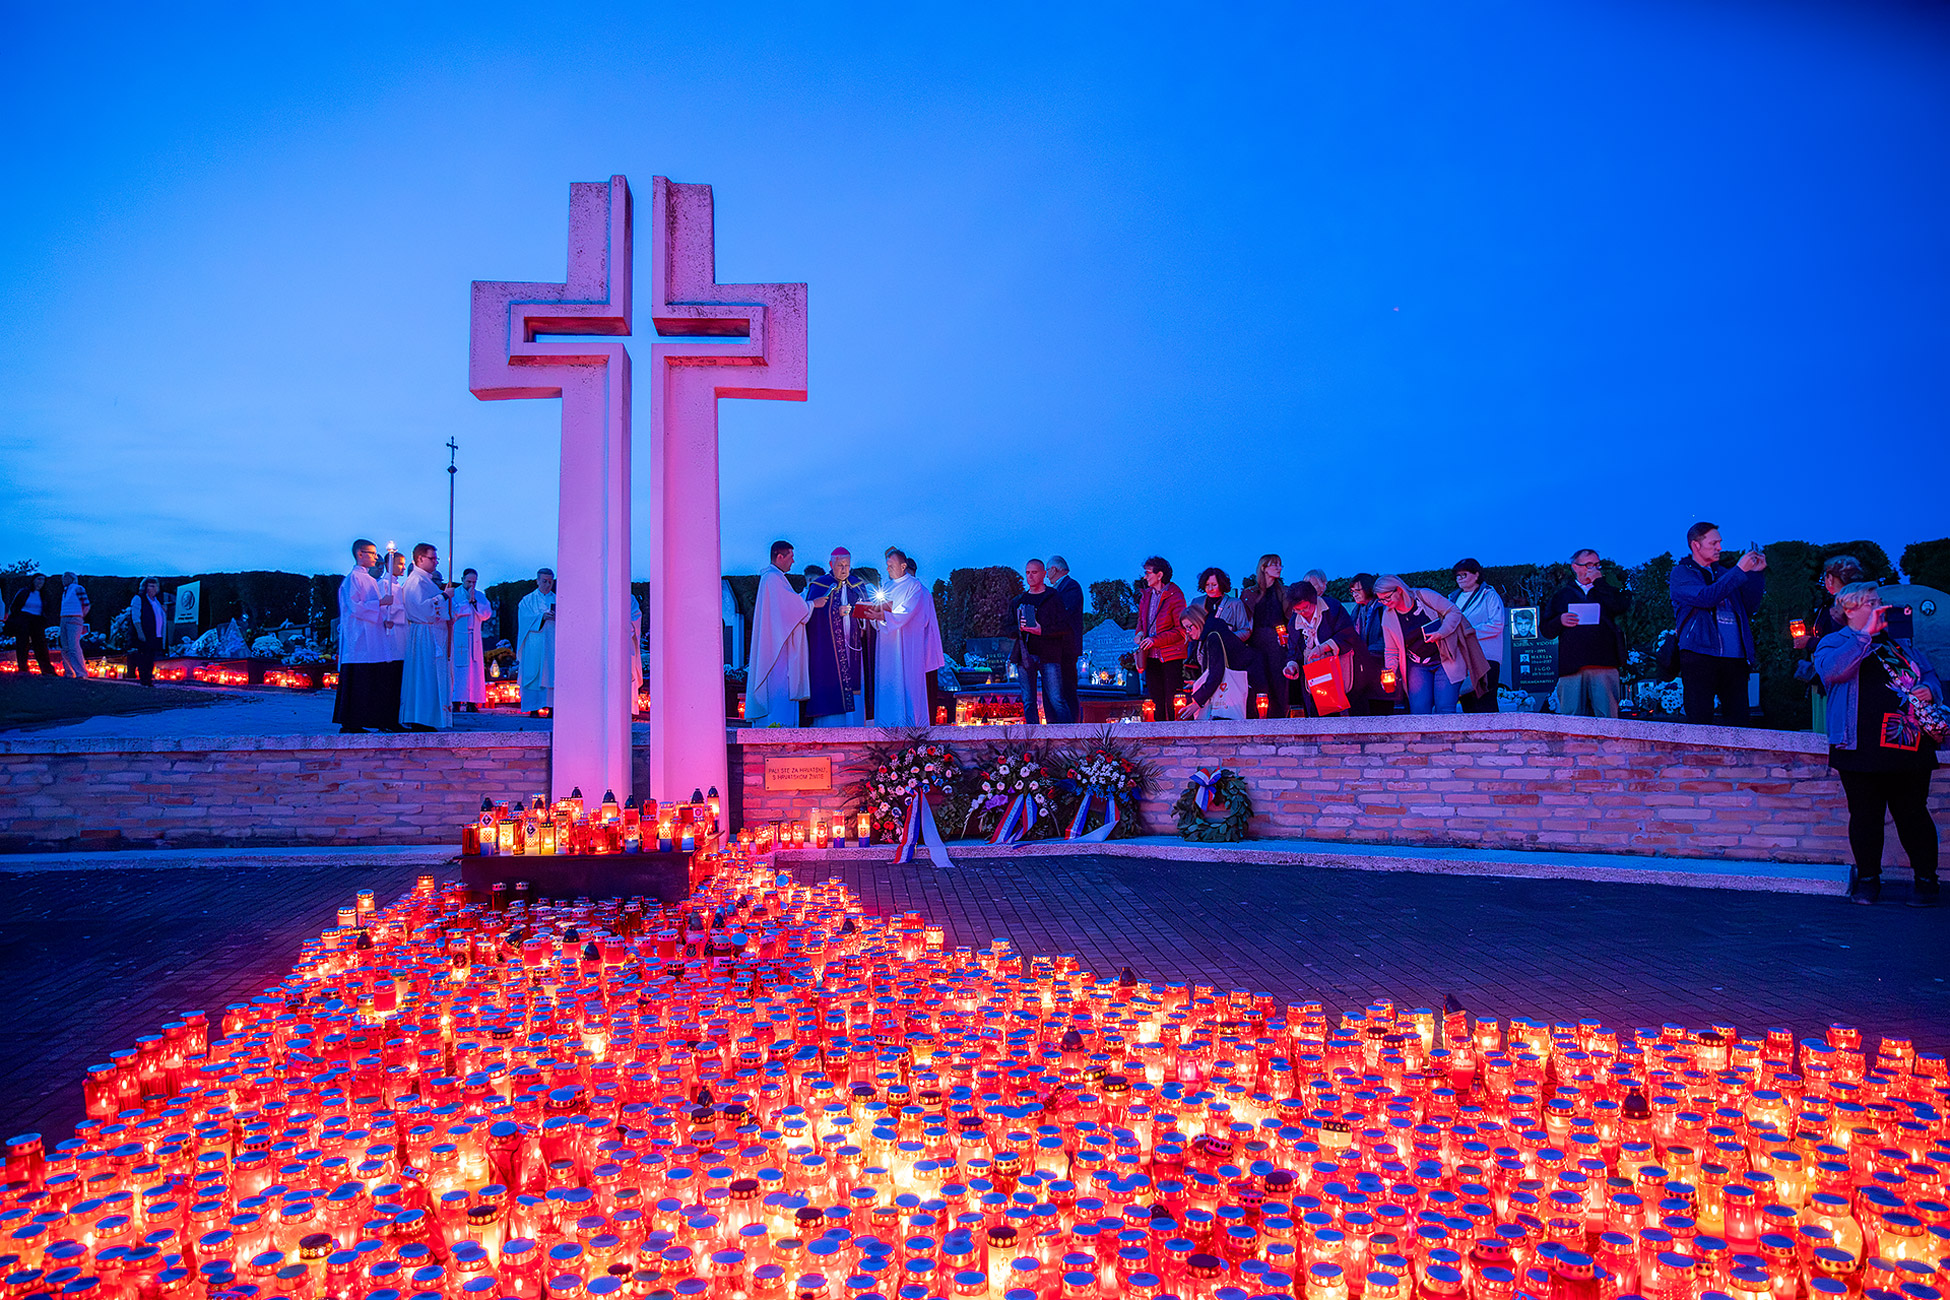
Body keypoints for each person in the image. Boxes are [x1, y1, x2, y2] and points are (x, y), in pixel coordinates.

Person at [1814, 582, 1942, 905]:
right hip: (1858, 746)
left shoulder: (1900, 644)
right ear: (1849, 609)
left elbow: (1930, 674)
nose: (1879, 605)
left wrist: (1930, 688)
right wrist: (1864, 636)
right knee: (1865, 816)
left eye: (1878, 600)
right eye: (1871, 601)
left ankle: (1927, 882)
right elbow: (1833, 671)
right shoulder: (1834, 642)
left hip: (1908, 744)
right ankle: (1869, 880)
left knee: (1913, 815)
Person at [1669, 522, 1766, 725]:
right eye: (1713, 543)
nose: (1719, 547)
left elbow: (1748, 608)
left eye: (1720, 542)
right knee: (1700, 720)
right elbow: (1705, 597)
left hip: (1735, 658)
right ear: (1696, 545)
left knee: (1739, 721)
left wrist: (1756, 574)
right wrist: (1739, 570)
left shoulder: (1724, 573)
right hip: (1699, 655)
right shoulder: (1682, 574)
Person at [1373, 575, 1489, 715]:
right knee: (1419, 711)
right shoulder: (1388, 615)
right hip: (1417, 664)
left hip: (1444, 659)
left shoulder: (1424, 596)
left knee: (1445, 708)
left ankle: (1447, 730)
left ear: (1399, 590)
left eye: (1387, 598)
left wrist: (1441, 632)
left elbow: (1453, 611)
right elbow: (1391, 650)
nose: (1385, 603)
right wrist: (1390, 670)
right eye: (1381, 600)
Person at [1541, 549, 1631, 718]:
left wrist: (1600, 583)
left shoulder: (1607, 591)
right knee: (1573, 717)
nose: (1594, 569)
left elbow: (1620, 607)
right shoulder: (1562, 596)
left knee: (1607, 716)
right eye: (1589, 565)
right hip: (1572, 667)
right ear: (1575, 567)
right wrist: (1560, 620)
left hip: (1604, 664)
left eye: (1597, 565)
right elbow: (1546, 630)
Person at [873, 547, 945, 727]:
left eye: (891, 565)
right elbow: (879, 614)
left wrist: (885, 616)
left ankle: (911, 727)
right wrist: (874, 616)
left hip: (907, 645)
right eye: (887, 565)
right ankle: (886, 725)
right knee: (888, 684)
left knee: (908, 687)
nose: (888, 569)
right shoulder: (887, 587)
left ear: (903, 566)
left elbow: (906, 612)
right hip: (887, 647)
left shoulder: (915, 586)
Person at [1794, 555, 1865, 734]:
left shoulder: (1840, 605)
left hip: (1835, 679)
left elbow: (1844, 641)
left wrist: (1810, 642)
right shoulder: (1857, 602)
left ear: (1830, 578)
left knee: (1830, 728)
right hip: (1839, 676)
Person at [1282, 582, 1376, 718]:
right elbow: (1294, 650)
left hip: (1345, 669)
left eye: (1305, 608)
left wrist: (1323, 648)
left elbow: (1348, 634)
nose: (1303, 613)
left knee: (1355, 712)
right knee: (1323, 716)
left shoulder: (1333, 609)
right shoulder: (1294, 622)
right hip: (1319, 678)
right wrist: (1292, 665)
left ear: (1314, 600)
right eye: (1297, 610)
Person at [806, 547, 873, 727]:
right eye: (840, 565)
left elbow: (868, 616)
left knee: (855, 686)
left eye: (847, 565)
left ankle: (856, 726)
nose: (844, 569)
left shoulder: (857, 586)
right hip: (828, 650)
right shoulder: (819, 585)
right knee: (831, 684)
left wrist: (863, 617)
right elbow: (811, 617)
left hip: (853, 647)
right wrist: (836, 612)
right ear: (831, 564)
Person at [747, 541, 811, 727]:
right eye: (791, 557)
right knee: (779, 692)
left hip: (777, 644)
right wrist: (812, 603)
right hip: (777, 651)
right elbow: (796, 610)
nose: (793, 562)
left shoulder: (773, 578)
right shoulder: (773, 579)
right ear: (780, 556)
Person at [333, 539, 390, 733]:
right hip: (358, 637)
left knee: (368, 677)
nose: (376, 557)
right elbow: (355, 607)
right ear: (360, 554)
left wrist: (384, 616)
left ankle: (363, 719)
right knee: (357, 678)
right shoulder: (353, 579)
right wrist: (380, 603)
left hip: (371, 636)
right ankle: (351, 721)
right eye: (372, 553)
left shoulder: (369, 579)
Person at [398, 544, 453, 731]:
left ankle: (428, 717)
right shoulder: (416, 582)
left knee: (430, 675)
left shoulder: (426, 581)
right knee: (424, 675)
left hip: (431, 633)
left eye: (437, 558)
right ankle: (420, 718)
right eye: (432, 558)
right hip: (424, 634)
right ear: (420, 558)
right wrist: (444, 597)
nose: (436, 562)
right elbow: (422, 608)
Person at [1011, 559, 1071, 724]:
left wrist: (1041, 630)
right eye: (1027, 573)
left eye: (1034, 572)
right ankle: (1033, 734)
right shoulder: (1019, 601)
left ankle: (1070, 734)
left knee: (1056, 699)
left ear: (1044, 574)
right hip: (1025, 655)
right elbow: (1007, 627)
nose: (1030, 576)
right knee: (1028, 700)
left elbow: (1065, 626)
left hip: (1049, 655)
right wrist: (1019, 627)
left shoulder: (1053, 597)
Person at [1450, 559, 1511, 714]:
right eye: (1457, 576)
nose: (1460, 579)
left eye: (1464, 575)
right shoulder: (1452, 598)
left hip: (1486, 656)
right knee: (1467, 701)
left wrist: (1469, 632)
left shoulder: (1489, 595)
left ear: (1476, 575)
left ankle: (1493, 730)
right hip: (1464, 657)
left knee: (1486, 702)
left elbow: (1497, 624)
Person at [1135, 557, 1188, 721]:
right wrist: (1139, 633)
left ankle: (1174, 731)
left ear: (1159, 575)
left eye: (1148, 573)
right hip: (1151, 655)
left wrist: (1155, 640)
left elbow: (1180, 630)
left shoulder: (1175, 595)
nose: (1145, 577)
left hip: (1171, 655)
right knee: (1155, 698)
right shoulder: (1146, 595)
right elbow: (1141, 621)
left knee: (1172, 699)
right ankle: (1157, 731)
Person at [1179, 604, 1253, 720]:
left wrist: (1197, 702)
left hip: (1237, 689)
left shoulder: (1213, 637)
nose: (1188, 632)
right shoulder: (1208, 636)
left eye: (1189, 627)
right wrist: (1198, 683)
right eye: (1185, 629)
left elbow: (1217, 673)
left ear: (1198, 621)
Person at [1241, 555, 1291, 718]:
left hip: (1278, 645)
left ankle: (1280, 718)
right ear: (1263, 568)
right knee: (1259, 684)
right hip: (1256, 645)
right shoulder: (1249, 593)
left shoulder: (1284, 592)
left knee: (1279, 683)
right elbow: (1244, 621)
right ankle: (1259, 719)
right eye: (1274, 565)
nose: (1279, 568)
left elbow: (1290, 619)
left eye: (1280, 565)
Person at [1046, 555, 1085, 724]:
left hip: (1066, 647)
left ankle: (1072, 724)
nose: (1047, 574)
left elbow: (1064, 612)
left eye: (1047, 570)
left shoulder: (1071, 587)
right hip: (1057, 647)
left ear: (1055, 569)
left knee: (1068, 687)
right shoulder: (1058, 589)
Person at [1346, 573, 1392, 714]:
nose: (1354, 594)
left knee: (1381, 706)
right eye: (1352, 591)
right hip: (1364, 664)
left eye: (1357, 590)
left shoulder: (1382, 608)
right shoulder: (1357, 610)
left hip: (1380, 663)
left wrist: (1367, 652)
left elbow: (1387, 638)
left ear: (1368, 589)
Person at [517, 568, 557, 715]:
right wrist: (541, 617)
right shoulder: (527, 600)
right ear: (537, 581)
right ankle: (533, 708)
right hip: (534, 642)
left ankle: (552, 707)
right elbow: (524, 619)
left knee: (551, 671)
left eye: (550, 582)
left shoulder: (558, 599)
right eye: (544, 581)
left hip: (552, 642)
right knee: (533, 673)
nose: (547, 585)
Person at [374, 550, 408, 723]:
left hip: (401, 636)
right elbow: (382, 609)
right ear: (389, 564)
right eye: (400, 563)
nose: (403, 567)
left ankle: (395, 717)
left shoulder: (399, 587)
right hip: (390, 636)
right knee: (389, 676)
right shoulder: (383, 585)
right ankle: (385, 719)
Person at [449, 569, 489, 713]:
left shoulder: (479, 595)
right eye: (469, 582)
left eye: (474, 582)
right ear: (462, 579)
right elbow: (452, 612)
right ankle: (456, 701)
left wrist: (475, 602)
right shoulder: (454, 594)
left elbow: (486, 613)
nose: (471, 585)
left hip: (474, 637)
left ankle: (473, 701)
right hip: (459, 636)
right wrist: (467, 602)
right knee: (459, 670)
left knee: (474, 671)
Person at [5, 573, 55, 677]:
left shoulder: (45, 594)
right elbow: (14, 606)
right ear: (33, 580)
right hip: (23, 618)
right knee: (22, 643)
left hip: (37, 619)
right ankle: (23, 668)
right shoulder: (24, 592)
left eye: (43, 580)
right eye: (39, 579)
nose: (41, 582)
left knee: (40, 644)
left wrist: (45, 620)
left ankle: (47, 670)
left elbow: (48, 608)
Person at [127, 579, 168, 687]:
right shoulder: (139, 599)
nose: (154, 589)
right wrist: (140, 632)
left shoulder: (157, 601)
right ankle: (144, 680)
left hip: (156, 634)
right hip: (146, 633)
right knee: (144, 657)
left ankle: (148, 679)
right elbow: (136, 617)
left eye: (156, 586)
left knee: (151, 657)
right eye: (151, 586)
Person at [1194, 568, 1251, 638]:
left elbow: (1245, 631)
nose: (1210, 588)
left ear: (1221, 584)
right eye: (1207, 585)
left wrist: (1227, 639)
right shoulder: (1196, 603)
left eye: (1214, 585)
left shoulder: (1235, 604)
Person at [56, 571, 90, 679]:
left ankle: (81, 673)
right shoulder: (65, 591)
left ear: (72, 579)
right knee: (65, 647)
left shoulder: (78, 588)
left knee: (73, 646)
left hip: (74, 618)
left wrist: (80, 616)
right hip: (64, 618)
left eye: (66, 577)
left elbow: (86, 604)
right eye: (63, 577)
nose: (63, 580)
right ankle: (69, 672)